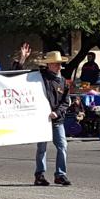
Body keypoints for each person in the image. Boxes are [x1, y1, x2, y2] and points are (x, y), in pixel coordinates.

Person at [33, 51, 72, 186]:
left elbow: (66, 102)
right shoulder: (39, 77)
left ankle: (60, 175)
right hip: (42, 119)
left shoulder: (63, 82)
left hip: (57, 120)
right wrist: (21, 60)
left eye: (60, 64)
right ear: (49, 64)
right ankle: (40, 175)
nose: (59, 67)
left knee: (62, 146)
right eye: (56, 64)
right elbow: (19, 77)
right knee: (42, 148)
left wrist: (57, 112)